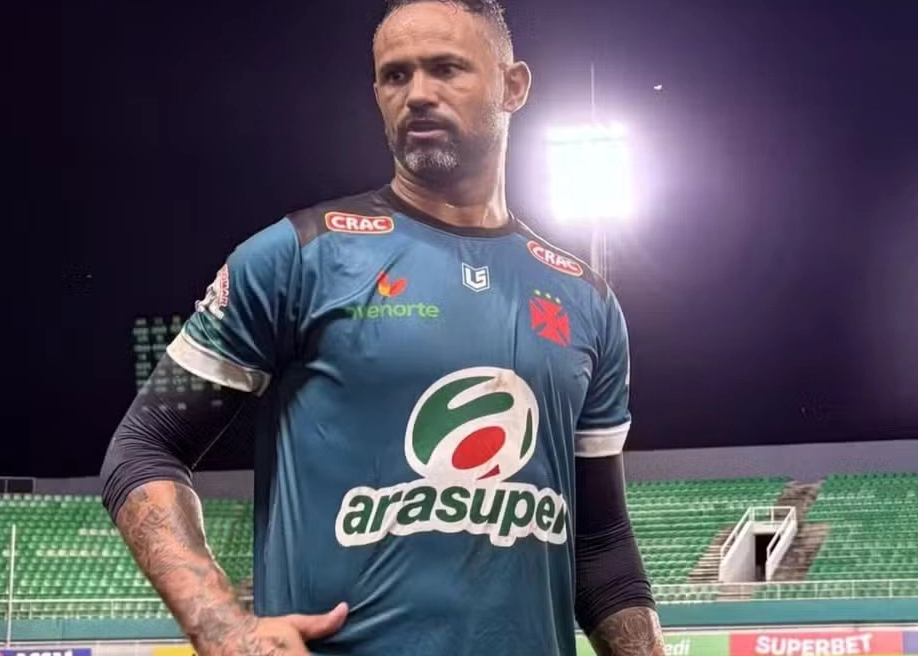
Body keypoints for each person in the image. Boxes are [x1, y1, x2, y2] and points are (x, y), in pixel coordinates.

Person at [99, 1, 666, 655]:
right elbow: (142, 447)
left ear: (513, 86)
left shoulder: (585, 299)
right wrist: (220, 627)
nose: (418, 93)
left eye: (446, 68)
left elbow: (602, 546)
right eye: (396, 75)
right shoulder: (294, 258)